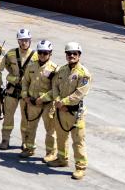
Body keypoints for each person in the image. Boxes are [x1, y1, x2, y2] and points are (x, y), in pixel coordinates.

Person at [50, 42, 91, 180]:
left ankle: (80, 167)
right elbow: (54, 85)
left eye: (75, 53)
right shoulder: (61, 70)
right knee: (61, 137)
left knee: (78, 140)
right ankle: (62, 159)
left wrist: (64, 102)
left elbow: (80, 93)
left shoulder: (83, 73)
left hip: (75, 113)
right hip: (61, 111)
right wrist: (57, 100)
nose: (71, 56)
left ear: (79, 55)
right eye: (69, 54)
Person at [19, 40, 58, 161]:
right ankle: (30, 149)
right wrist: (25, 96)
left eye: (45, 53)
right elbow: (25, 82)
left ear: (50, 54)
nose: (42, 55)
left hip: (47, 104)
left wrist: (43, 99)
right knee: (31, 127)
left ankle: (51, 153)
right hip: (32, 103)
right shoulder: (31, 66)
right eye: (40, 52)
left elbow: (56, 89)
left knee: (50, 130)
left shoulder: (55, 69)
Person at [0, 28, 35, 150]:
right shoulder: (11, 53)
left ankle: (25, 141)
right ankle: (5, 140)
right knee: (8, 116)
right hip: (12, 91)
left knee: (26, 118)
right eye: (21, 40)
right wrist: (13, 78)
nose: (24, 43)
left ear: (30, 41)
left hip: (26, 92)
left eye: (26, 40)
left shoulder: (35, 56)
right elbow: (4, 66)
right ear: (18, 41)